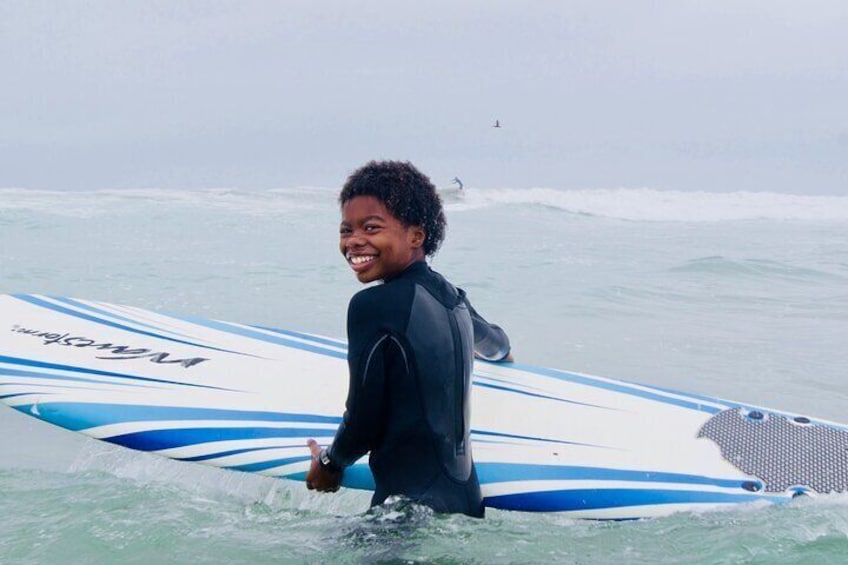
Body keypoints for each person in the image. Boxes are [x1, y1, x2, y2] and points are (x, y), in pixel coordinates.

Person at [305, 160, 512, 518]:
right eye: (346, 230)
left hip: (406, 514)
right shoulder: (456, 301)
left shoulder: (372, 306)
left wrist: (329, 463)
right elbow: (498, 344)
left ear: (416, 236)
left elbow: (362, 423)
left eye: (371, 227)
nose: (354, 241)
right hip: (466, 504)